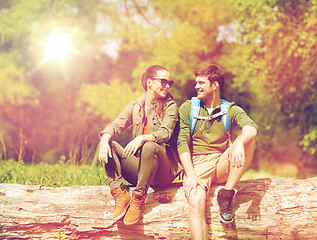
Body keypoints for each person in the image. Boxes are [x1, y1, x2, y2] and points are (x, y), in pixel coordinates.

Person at [177, 64, 258, 239]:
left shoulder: (229, 109)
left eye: (201, 83)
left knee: (248, 140)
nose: (196, 86)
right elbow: (182, 143)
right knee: (196, 202)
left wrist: (238, 143)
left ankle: (227, 193)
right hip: (197, 164)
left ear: (215, 85)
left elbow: (252, 128)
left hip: (221, 162)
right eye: (196, 83)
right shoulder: (188, 108)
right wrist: (190, 175)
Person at [98, 65, 180, 225]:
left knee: (149, 145)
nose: (167, 86)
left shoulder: (170, 106)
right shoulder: (137, 105)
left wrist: (142, 138)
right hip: (140, 170)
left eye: (170, 83)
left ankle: (138, 199)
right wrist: (104, 139)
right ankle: (120, 193)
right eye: (163, 82)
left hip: (163, 172)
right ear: (149, 82)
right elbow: (117, 124)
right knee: (110, 144)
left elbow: (165, 133)